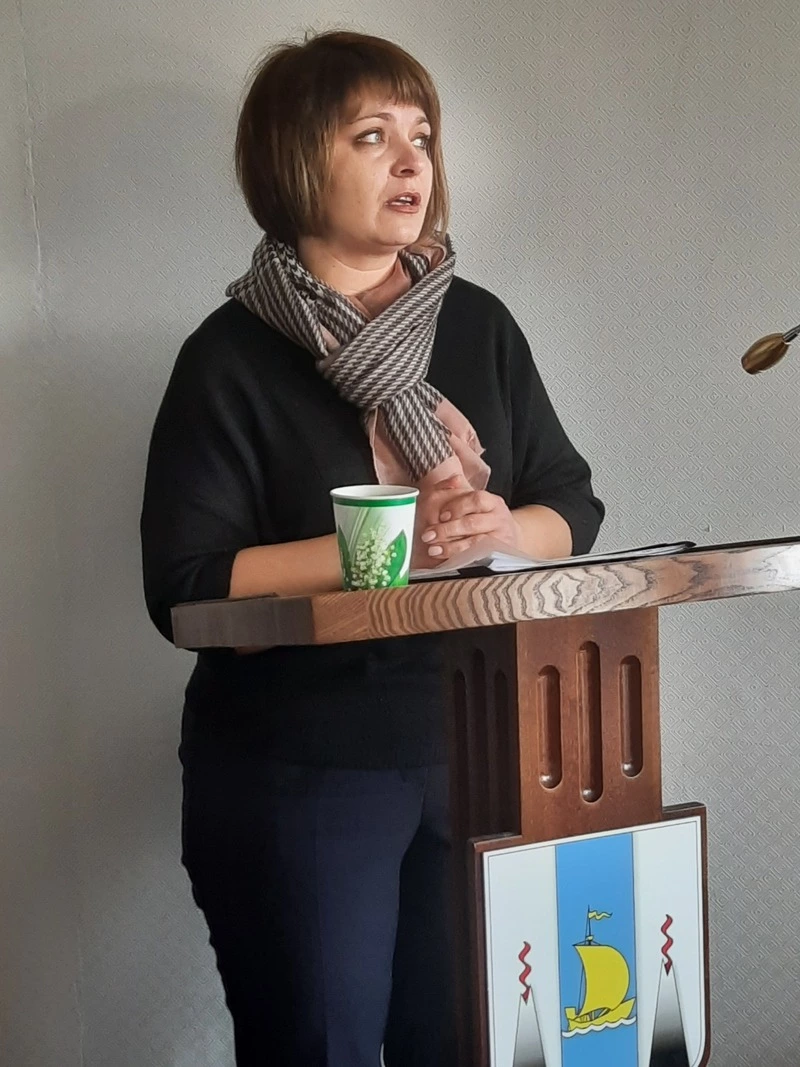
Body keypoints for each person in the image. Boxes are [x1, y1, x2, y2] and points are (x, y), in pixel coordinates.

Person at [140, 29, 604, 1067]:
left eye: (421, 137)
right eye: (371, 136)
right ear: (296, 158)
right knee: (320, 1044)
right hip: (300, 763)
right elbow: (184, 586)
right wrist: (389, 544)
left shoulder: (477, 325)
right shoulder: (228, 358)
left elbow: (570, 502)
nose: (410, 162)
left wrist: (499, 528)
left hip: (477, 743)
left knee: (464, 1040)